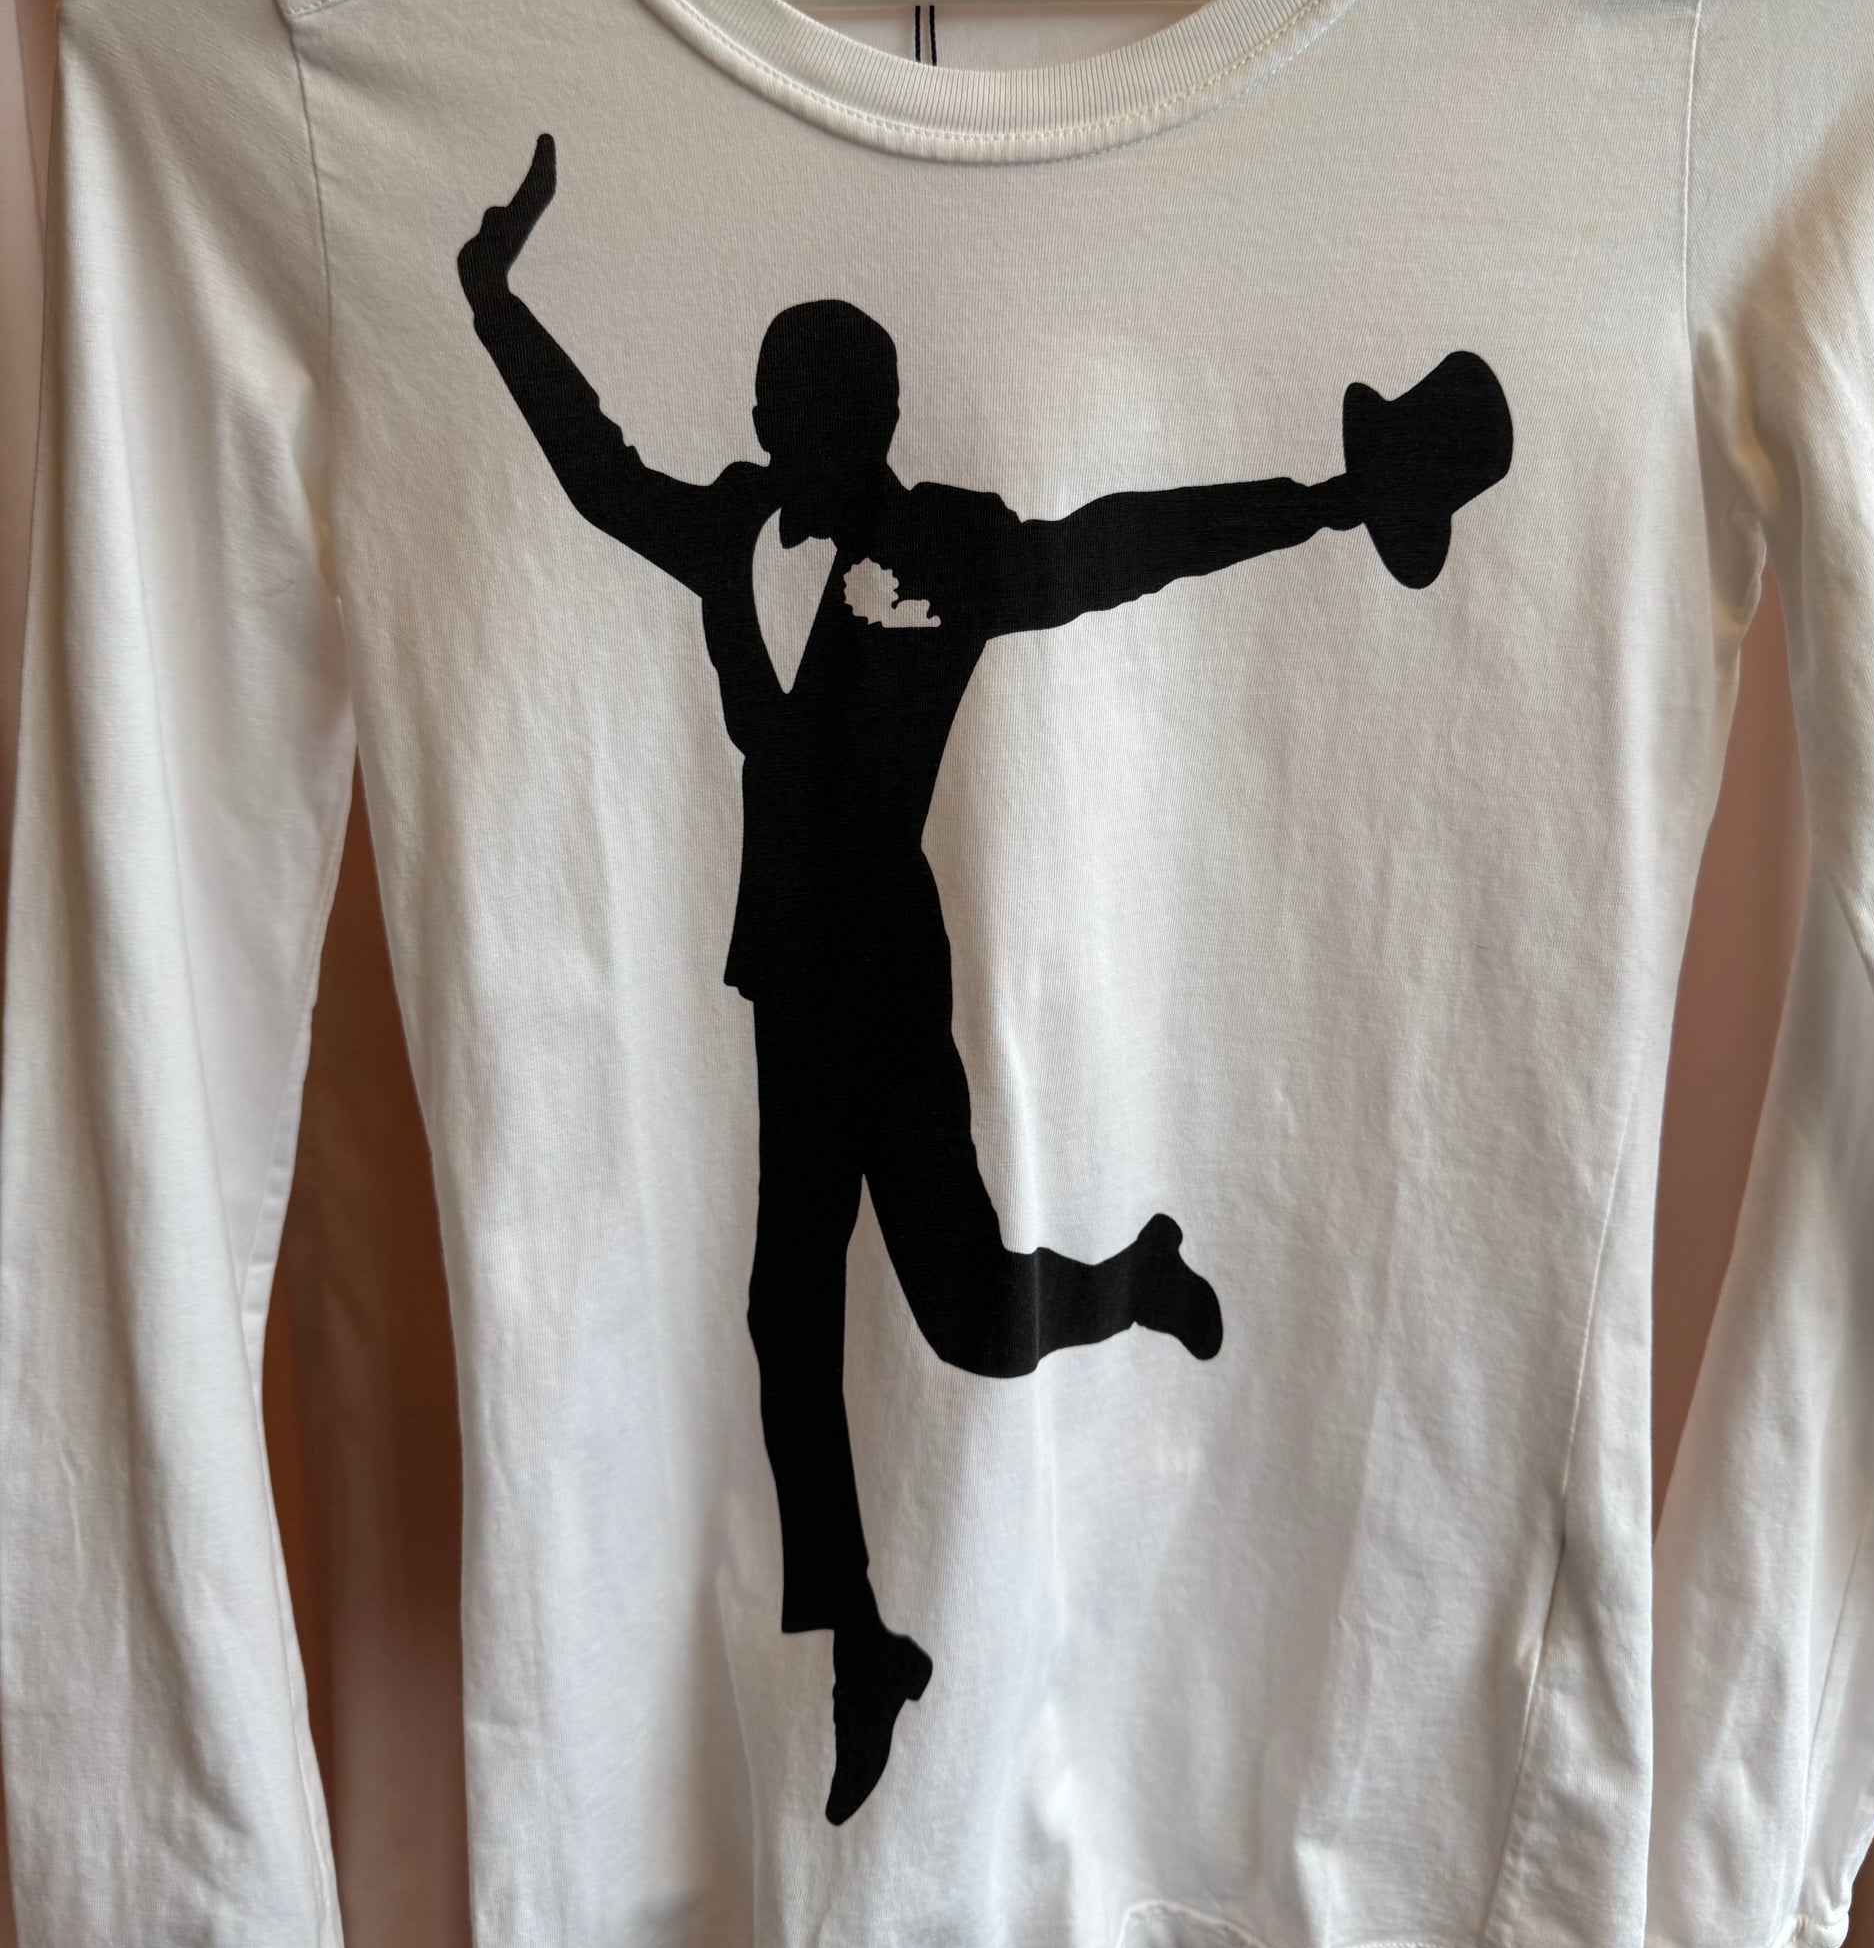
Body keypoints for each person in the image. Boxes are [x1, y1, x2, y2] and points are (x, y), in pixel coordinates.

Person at [458, 132, 1509, 1822]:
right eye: (773, 404)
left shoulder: (941, 545)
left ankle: (1131, 1280)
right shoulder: (729, 532)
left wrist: (1320, 502)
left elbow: (1122, 542)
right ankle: (860, 1644)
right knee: (782, 1311)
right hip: (784, 988)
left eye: (813, 409)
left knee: (965, 1321)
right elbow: (594, 471)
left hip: (885, 980)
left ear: (868, 422)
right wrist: (492, 298)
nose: (781, 432)